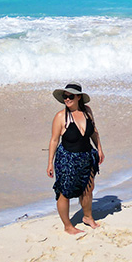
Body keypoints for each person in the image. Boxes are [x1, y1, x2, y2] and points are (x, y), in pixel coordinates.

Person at [47, 81, 105, 234]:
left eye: (70, 96)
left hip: (87, 156)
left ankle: (87, 217)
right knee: (64, 192)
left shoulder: (87, 111)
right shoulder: (60, 117)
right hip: (67, 158)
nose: (67, 99)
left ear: (79, 97)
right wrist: (50, 163)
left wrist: (99, 148)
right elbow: (54, 140)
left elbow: (94, 131)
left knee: (88, 188)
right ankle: (68, 226)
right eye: (65, 97)